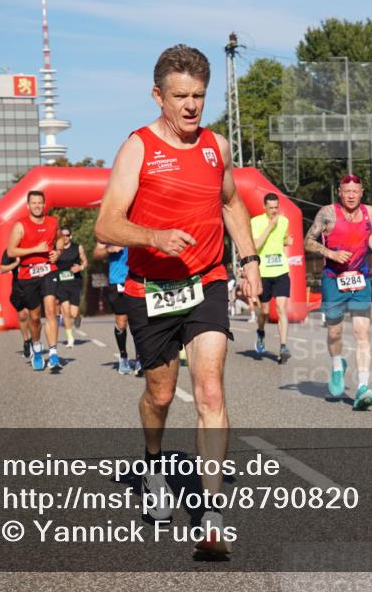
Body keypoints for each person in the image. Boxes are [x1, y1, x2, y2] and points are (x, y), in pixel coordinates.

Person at [94, 44, 262, 555]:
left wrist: (249, 262)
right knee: (161, 396)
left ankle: (210, 515)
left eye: (199, 96)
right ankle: (151, 465)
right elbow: (106, 223)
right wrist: (152, 237)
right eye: (180, 96)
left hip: (207, 282)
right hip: (152, 290)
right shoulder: (138, 147)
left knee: (210, 392)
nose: (191, 106)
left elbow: (231, 202)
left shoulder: (217, 147)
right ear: (158, 96)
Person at [303, 174, 372, 410]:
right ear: (339, 192)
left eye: (355, 191)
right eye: (346, 191)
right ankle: (338, 366)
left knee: (363, 333)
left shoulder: (370, 212)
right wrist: (331, 254)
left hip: (360, 279)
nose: (351, 195)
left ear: (361, 192)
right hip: (333, 280)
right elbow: (307, 241)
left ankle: (362, 388)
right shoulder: (327, 213)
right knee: (335, 333)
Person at [6, 190, 62, 371]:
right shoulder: (20, 225)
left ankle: (53, 353)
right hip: (27, 275)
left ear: (44, 204)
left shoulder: (52, 222)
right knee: (35, 318)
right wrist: (34, 249)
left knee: (51, 310)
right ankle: (37, 348)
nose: (37, 206)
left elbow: (60, 239)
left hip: (48, 270)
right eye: (34, 203)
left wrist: (57, 252)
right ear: (28, 205)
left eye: (40, 203)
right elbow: (11, 251)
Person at [249, 192, 294, 363]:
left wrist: (287, 241)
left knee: (282, 309)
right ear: (264, 207)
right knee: (265, 311)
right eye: (271, 208)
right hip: (263, 272)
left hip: (281, 270)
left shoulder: (284, 222)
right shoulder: (256, 222)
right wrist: (269, 226)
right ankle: (260, 332)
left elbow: (283, 239)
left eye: (276, 207)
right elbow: (256, 245)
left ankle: (283, 346)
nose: (274, 211)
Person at [93, 242, 142, 375]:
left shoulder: (137, 226)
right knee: (121, 322)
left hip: (138, 279)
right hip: (118, 281)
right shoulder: (110, 232)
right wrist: (109, 249)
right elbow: (96, 254)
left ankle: (139, 359)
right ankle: (123, 357)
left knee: (138, 321)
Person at [0, 249, 32, 358]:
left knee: (33, 316)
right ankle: (26, 341)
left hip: (34, 286)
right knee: (23, 316)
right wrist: (16, 263)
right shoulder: (11, 250)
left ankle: (35, 340)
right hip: (18, 288)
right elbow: (2, 268)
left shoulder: (33, 247)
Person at [55, 227, 88, 348]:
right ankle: (70, 338)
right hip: (61, 284)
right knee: (65, 312)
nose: (65, 237)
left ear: (71, 236)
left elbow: (85, 262)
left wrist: (80, 268)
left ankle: (78, 316)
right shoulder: (56, 249)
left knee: (73, 314)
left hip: (75, 283)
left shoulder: (77, 247)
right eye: (63, 235)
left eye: (67, 235)